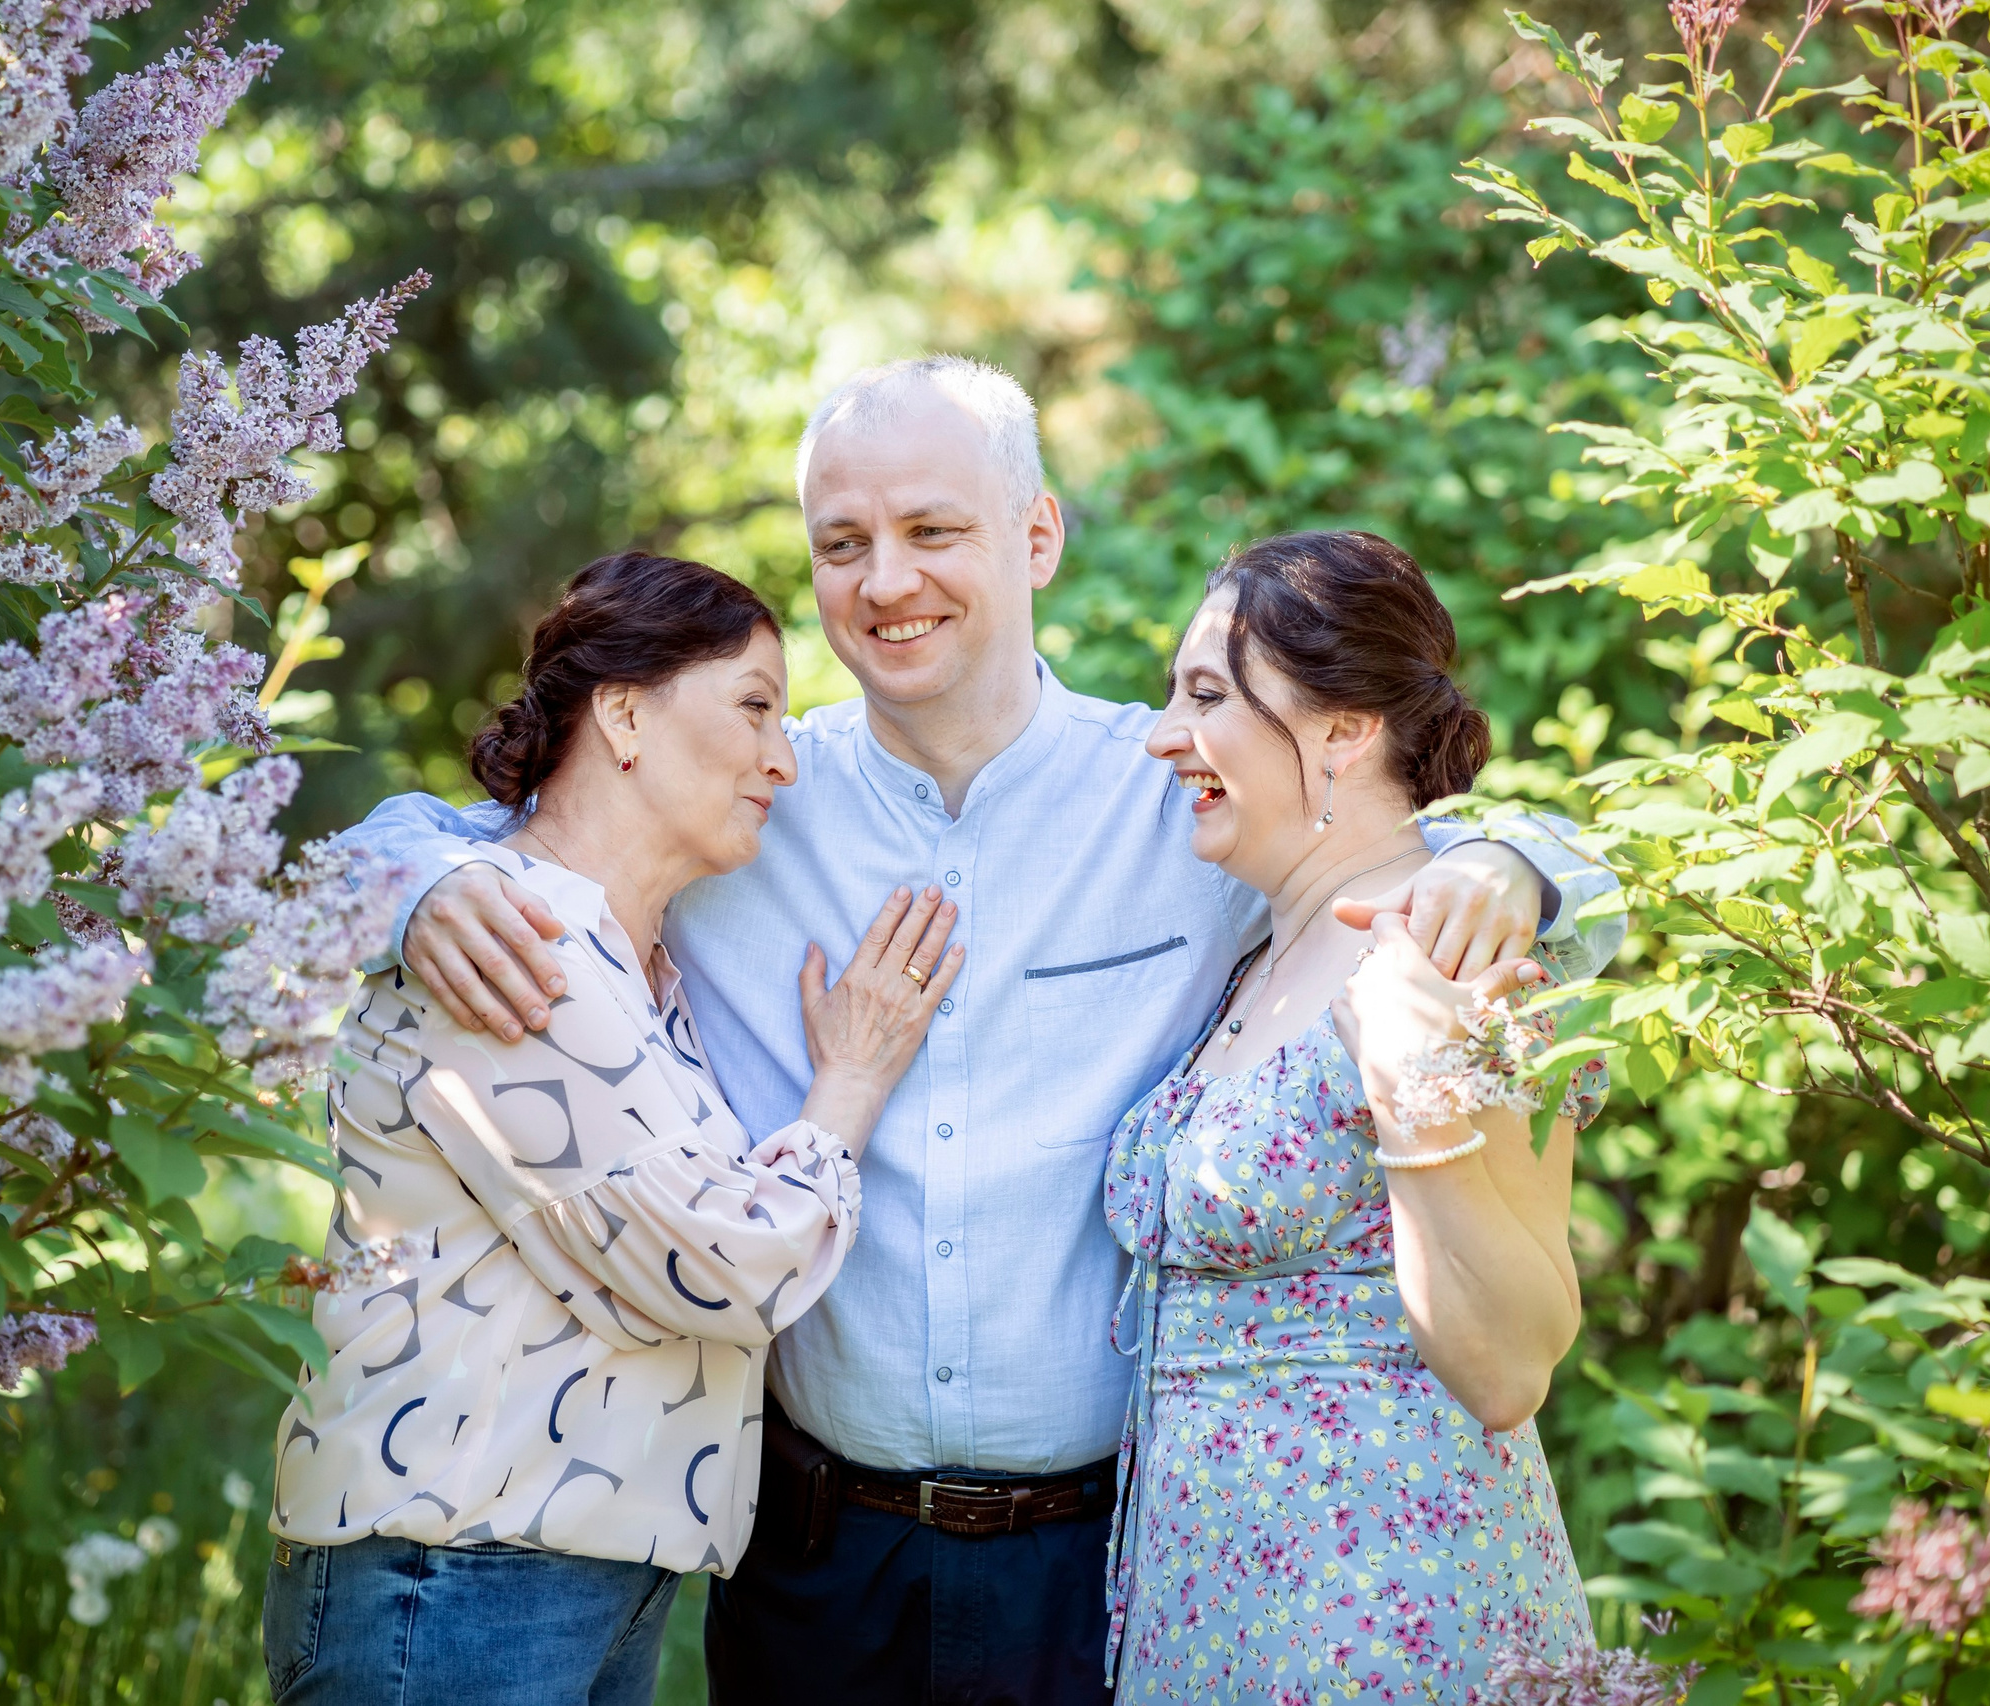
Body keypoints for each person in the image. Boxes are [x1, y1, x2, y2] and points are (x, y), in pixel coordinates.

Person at [349, 357, 1622, 1704]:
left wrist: (1526, 866)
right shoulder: (740, 796)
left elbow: (1391, 830)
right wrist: (416, 881)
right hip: (812, 1557)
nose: (885, 580)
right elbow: (475, 837)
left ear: (1038, 535)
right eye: (843, 544)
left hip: (1101, 1562)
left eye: (932, 530)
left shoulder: (1182, 801)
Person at [263, 552, 964, 1706]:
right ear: (626, 715)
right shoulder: (513, 940)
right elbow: (722, 1268)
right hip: (454, 1580)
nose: (783, 757)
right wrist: (850, 1082)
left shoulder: (630, 960)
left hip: (568, 1575)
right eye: (752, 705)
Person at [1104, 530, 1601, 1701]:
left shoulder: (1458, 953)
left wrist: (1401, 1082)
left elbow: (1512, 1363)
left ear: (1342, 728)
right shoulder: (1244, 961)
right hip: (1203, 1610)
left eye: (1207, 694)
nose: (1160, 732)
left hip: (1381, 1611)